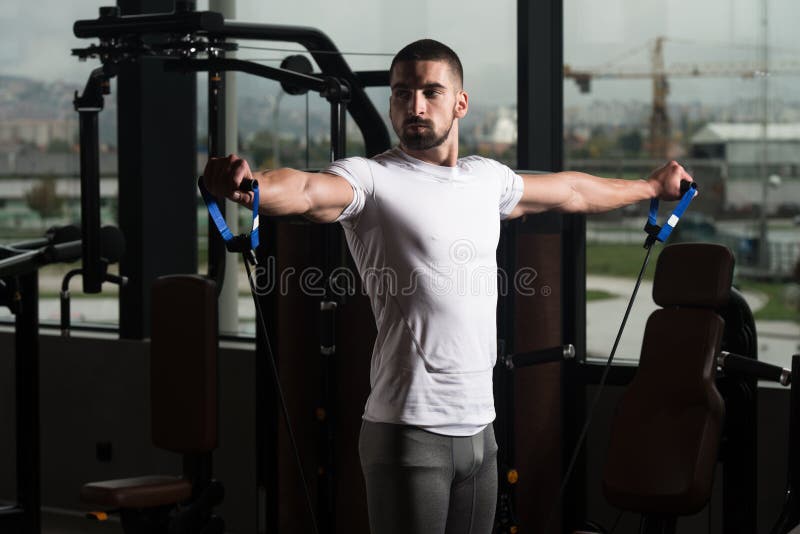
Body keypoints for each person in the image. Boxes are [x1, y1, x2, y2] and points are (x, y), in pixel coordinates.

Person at [202, 39, 693, 534]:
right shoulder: (370, 180)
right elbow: (307, 191)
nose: (414, 106)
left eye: (430, 92)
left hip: (482, 434)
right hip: (409, 431)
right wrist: (250, 187)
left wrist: (649, 188)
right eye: (401, 93)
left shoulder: (486, 179)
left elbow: (571, 189)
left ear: (460, 102)